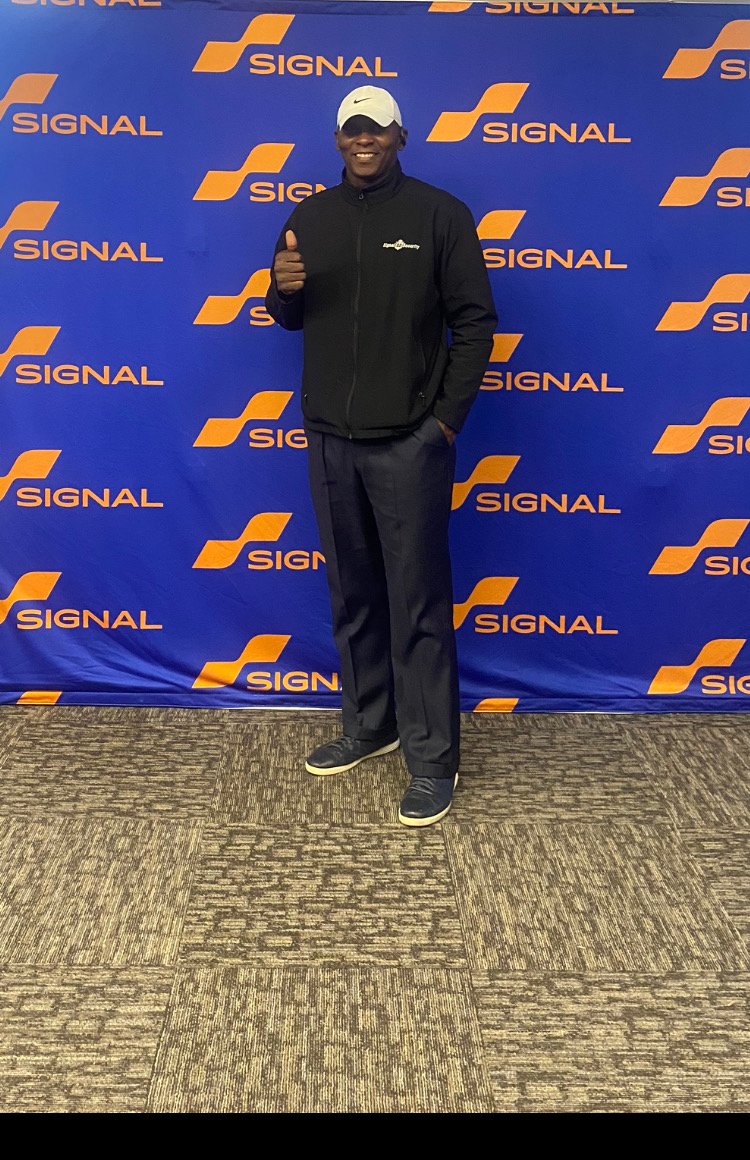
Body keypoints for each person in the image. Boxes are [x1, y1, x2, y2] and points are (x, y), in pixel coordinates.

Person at [266, 85, 497, 827]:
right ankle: (371, 724)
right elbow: (290, 313)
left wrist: (444, 423)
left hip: (409, 444)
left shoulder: (440, 215)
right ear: (338, 139)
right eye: (353, 128)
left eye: (378, 128)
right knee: (353, 594)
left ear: (401, 135)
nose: (364, 139)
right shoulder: (310, 218)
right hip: (331, 440)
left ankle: (432, 760)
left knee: (418, 603)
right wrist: (281, 293)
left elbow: (475, 323)